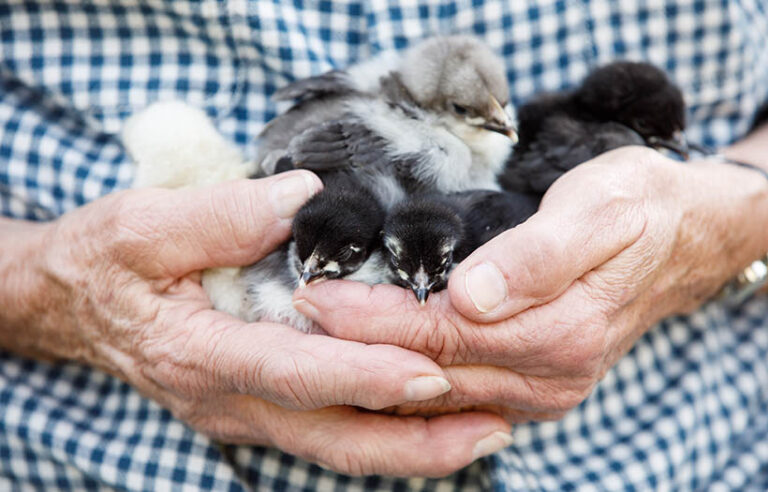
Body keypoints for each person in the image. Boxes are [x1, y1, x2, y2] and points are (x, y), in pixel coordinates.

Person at [1, 1, 767, 489]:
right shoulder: (394, 139)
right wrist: (50, 285)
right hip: (122, 456)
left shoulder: (485, 148)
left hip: (679, 451)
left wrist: (735, 218)